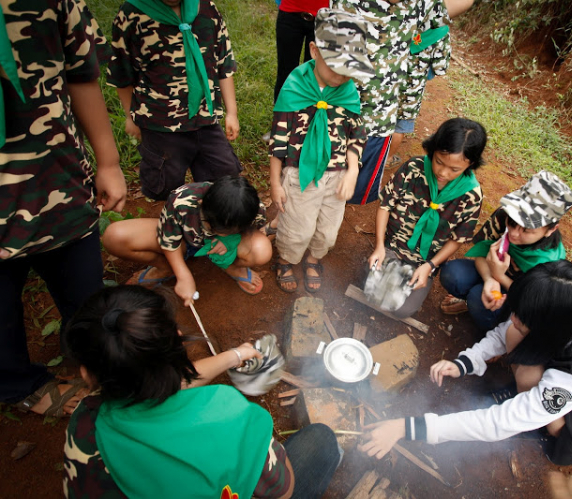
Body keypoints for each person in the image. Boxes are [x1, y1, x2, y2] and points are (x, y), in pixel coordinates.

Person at [63, 285, 341, 498]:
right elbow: (284, 489)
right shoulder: (227, 412)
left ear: (87, 373)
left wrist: (235, 355)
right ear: (179, 340)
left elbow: (159, 385)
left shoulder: (86, 422)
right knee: (323, 441)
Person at [360, 261, 572, 466]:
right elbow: (504, 333)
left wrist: (405, 428)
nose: (514, 319)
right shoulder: (561, 313)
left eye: (524, 319)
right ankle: (527, 399)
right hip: (554, 372)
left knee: (528, 389)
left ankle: (535, 417)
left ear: (548, 328)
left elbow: (496, 424)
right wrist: (465, 362)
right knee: (514, 335)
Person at [0, 0, 127, 418]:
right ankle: (19, 383)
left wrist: (107, 162)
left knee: (85, 289)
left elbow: (81, 74)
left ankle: (88, 356)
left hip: (57, 182)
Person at [330, 0, 476, 205]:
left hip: (378, 119)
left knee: (349, 195)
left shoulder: (420, 4)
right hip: (336, 109)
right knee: (318, 180)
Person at [270, 9, 372, 293]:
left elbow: (356, 134)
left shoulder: (349, 91)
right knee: (297, 227)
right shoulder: (294, 87)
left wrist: (352, 171)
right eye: (335, 66)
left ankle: (314, 258)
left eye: (348, 69)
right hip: (300, 171)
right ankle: (287, 259)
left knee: (328, 229)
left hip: (337, 175)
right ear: (313, 50)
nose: (341, 76)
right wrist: (274, 182)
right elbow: (279, 139)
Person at [108, 0, 242, 201]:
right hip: (160, 124)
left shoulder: (206, 8)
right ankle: (172, 225)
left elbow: (224, 64)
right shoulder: (132, 13)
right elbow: (122, 74)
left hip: (206, 120)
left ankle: (209, 225)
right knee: (164, 186)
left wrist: (232, 112)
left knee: (223, 179)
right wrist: (130, 116)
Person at [367, 117, 485, 318]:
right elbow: (385, 205)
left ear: (470, 164)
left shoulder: (471, 196)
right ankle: (385, 259)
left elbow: (458, 238)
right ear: (433, 149)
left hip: (425, 262)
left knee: (403, 309)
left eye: (454, 169)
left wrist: (430, 266)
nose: (443, 172)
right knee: (374, 294)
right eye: (439, 161)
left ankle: (420, 276)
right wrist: (379, 246)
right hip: (393, 248)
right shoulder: (414, 168)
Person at [439, 171, 572, 332]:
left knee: (478, 299)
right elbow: (481, 254)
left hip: (518, 298)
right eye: (512, 223)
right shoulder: (505, 215)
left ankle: (496, 332)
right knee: (453, 274)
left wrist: (499, 276)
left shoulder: (551, 262)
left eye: (527, 230)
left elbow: (531, 302)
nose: (514, 233)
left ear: (550, 230)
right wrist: (490, 279)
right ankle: (470, 303)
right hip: (493, 274)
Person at [102, 176, 272, 307]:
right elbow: (168, 239)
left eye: (228, 230)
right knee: (114, 237)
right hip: (182, 241)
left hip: (216, 247)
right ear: (203, 204)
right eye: (210, 226)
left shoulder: (254, 209)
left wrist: (230, 241)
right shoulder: (182, 199)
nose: (216, 232)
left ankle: (231, 266)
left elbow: (250, 232)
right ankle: (166, 267)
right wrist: (184, 275)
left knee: (261, 249)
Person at [387, 0, 452, 167]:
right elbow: (440, 65)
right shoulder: (439, 20)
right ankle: (387, 159)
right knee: (400, 125)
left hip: (388, 73)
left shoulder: (401, 8)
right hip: (412, 86)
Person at [273, 0, 329, 103]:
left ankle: (311, 117)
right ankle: (281, 116)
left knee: (315, 76)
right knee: (286, 74)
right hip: (290, 14)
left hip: (325, 18)